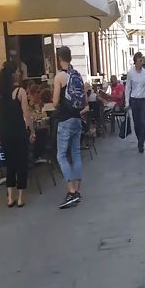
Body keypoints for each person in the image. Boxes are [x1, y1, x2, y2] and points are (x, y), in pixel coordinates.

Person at [0, 61, 35, 207]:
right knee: (21, 163)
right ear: (12, 74)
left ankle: (10, 197)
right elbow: (26, 114)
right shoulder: (20, 91)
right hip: (18, 131)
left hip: (4, 132)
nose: (19, 73)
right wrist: (32, 131)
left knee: (9, 163)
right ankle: (21, 197)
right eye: (17, 71)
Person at [53, 46, 88, 208]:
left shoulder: (59, 77)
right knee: (76, 153)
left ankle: (71, 191)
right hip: (77, 118)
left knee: (61, 155)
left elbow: (55, 102)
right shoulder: (77, 75)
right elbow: (84, 100)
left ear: (59, 58)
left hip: (65, 119)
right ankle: (77, 190)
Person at [125, 52, 145, 153]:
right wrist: (127, 102)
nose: (141, 63)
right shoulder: (130, 73)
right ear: (135, 62)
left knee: (143, 122)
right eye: (140, 61)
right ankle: (139, 138)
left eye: (142, 61)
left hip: (143, 99)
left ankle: (141, 143)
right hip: (134, 100)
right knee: (136, 123)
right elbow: (128, 88)